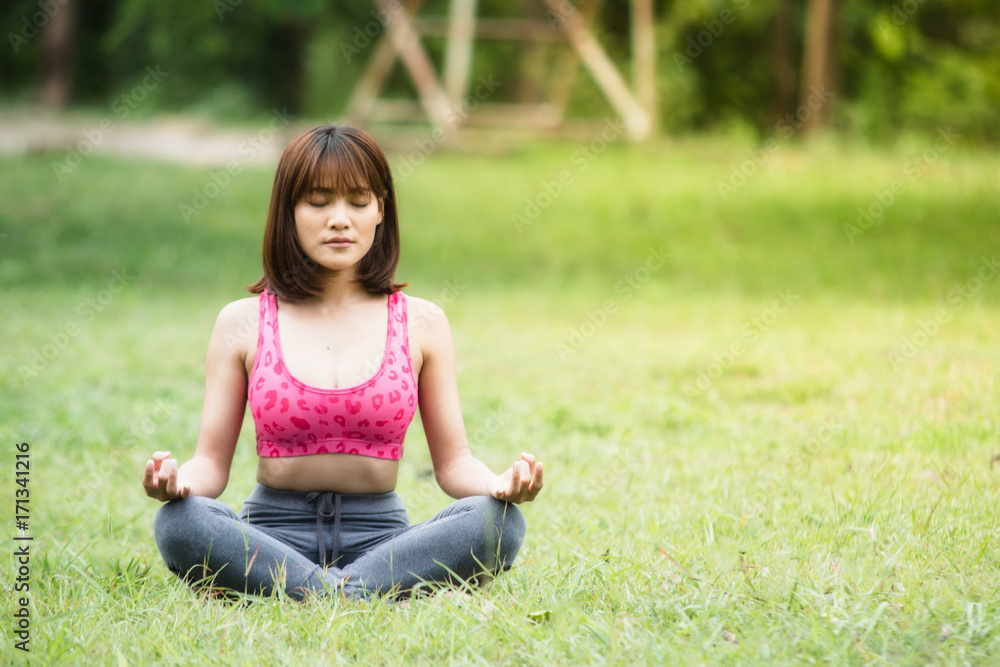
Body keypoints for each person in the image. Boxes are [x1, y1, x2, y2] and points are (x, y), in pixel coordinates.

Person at [143, 125, 543, 601]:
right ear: (288, 211)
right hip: (270, 540)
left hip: (385, 543)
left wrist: (497, 484)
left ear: (381, 210)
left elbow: (454, 463)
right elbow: (210, 464)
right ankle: (355, 595)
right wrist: (178, 484)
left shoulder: (423, 322)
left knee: (496, 524)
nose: (340, 219)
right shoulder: (242, 322)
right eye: (318, 202)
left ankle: (316, 593)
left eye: (358, 201)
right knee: (180, 523)